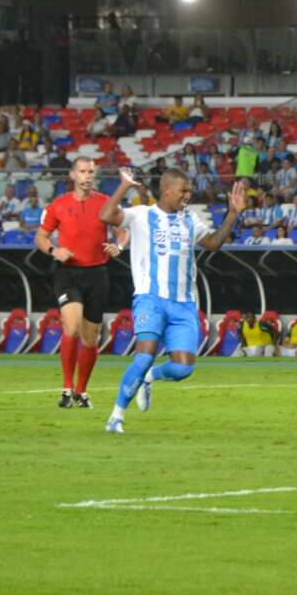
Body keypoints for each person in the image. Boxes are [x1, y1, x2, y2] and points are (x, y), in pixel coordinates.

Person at [98, 168, 243, 433]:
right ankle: (116, 416)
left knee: (183, 368)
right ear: (166, 190)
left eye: (189, 190)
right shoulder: (142, 215)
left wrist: (233, 214)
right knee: (143, 357)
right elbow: (106, 215)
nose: (188, 195)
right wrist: (123, 186)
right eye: (183, 190)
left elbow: (212, 243)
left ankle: (149, 378)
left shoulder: (190, 218)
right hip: (150, 298)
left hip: (185, 303)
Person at [34, 157, 122, 409]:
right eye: (83, 171)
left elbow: (122, 230)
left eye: (91, 172)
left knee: (91, 338)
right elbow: (41, 237)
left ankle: (81, 391)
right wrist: (54, 250)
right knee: (71, 327)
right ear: (72, 175)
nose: (87, 176)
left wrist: (119, 246)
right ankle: (66, 388)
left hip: (97, 274)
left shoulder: (105, 203)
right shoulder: (58, 206)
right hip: (68, 273)